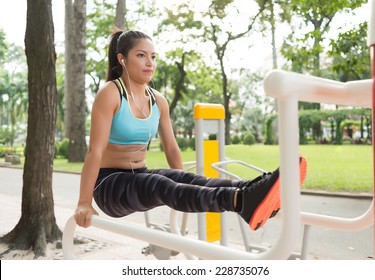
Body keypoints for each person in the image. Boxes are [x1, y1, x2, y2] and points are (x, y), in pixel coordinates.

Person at [74, 29, 307, 231]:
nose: (150, 63)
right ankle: (241, 201)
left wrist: (183, 187)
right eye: (141, 56)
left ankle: (256, 189)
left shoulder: (158, 101)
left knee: (189, 178)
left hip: (140, 174)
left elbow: (172, 148)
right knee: (163, 186)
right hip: (110, 185)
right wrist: (84, 202)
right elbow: (94, 151)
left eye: (153, 57)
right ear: (122, 59)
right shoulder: (111, 93)